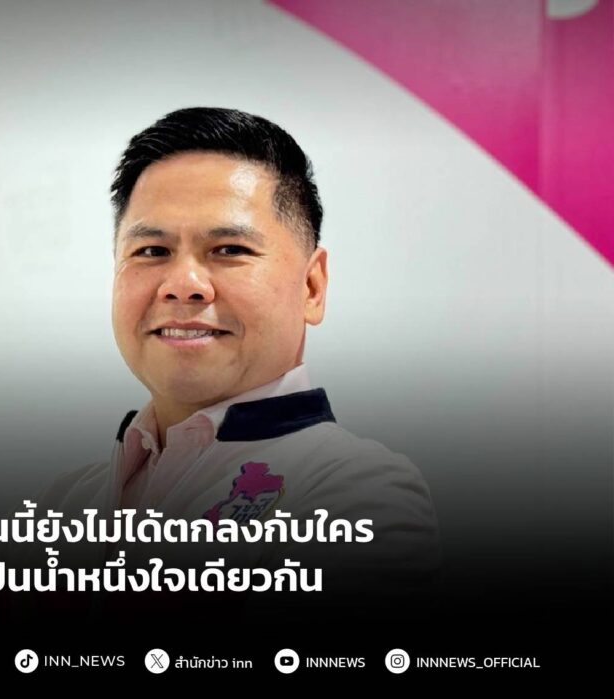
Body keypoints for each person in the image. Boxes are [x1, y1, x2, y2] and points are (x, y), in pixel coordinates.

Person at [27, 107, 440, 609]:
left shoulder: (361, 492)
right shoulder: (64, 504)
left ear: (312, 287)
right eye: (152, 251)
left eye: (229, 249)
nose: (183, 285)